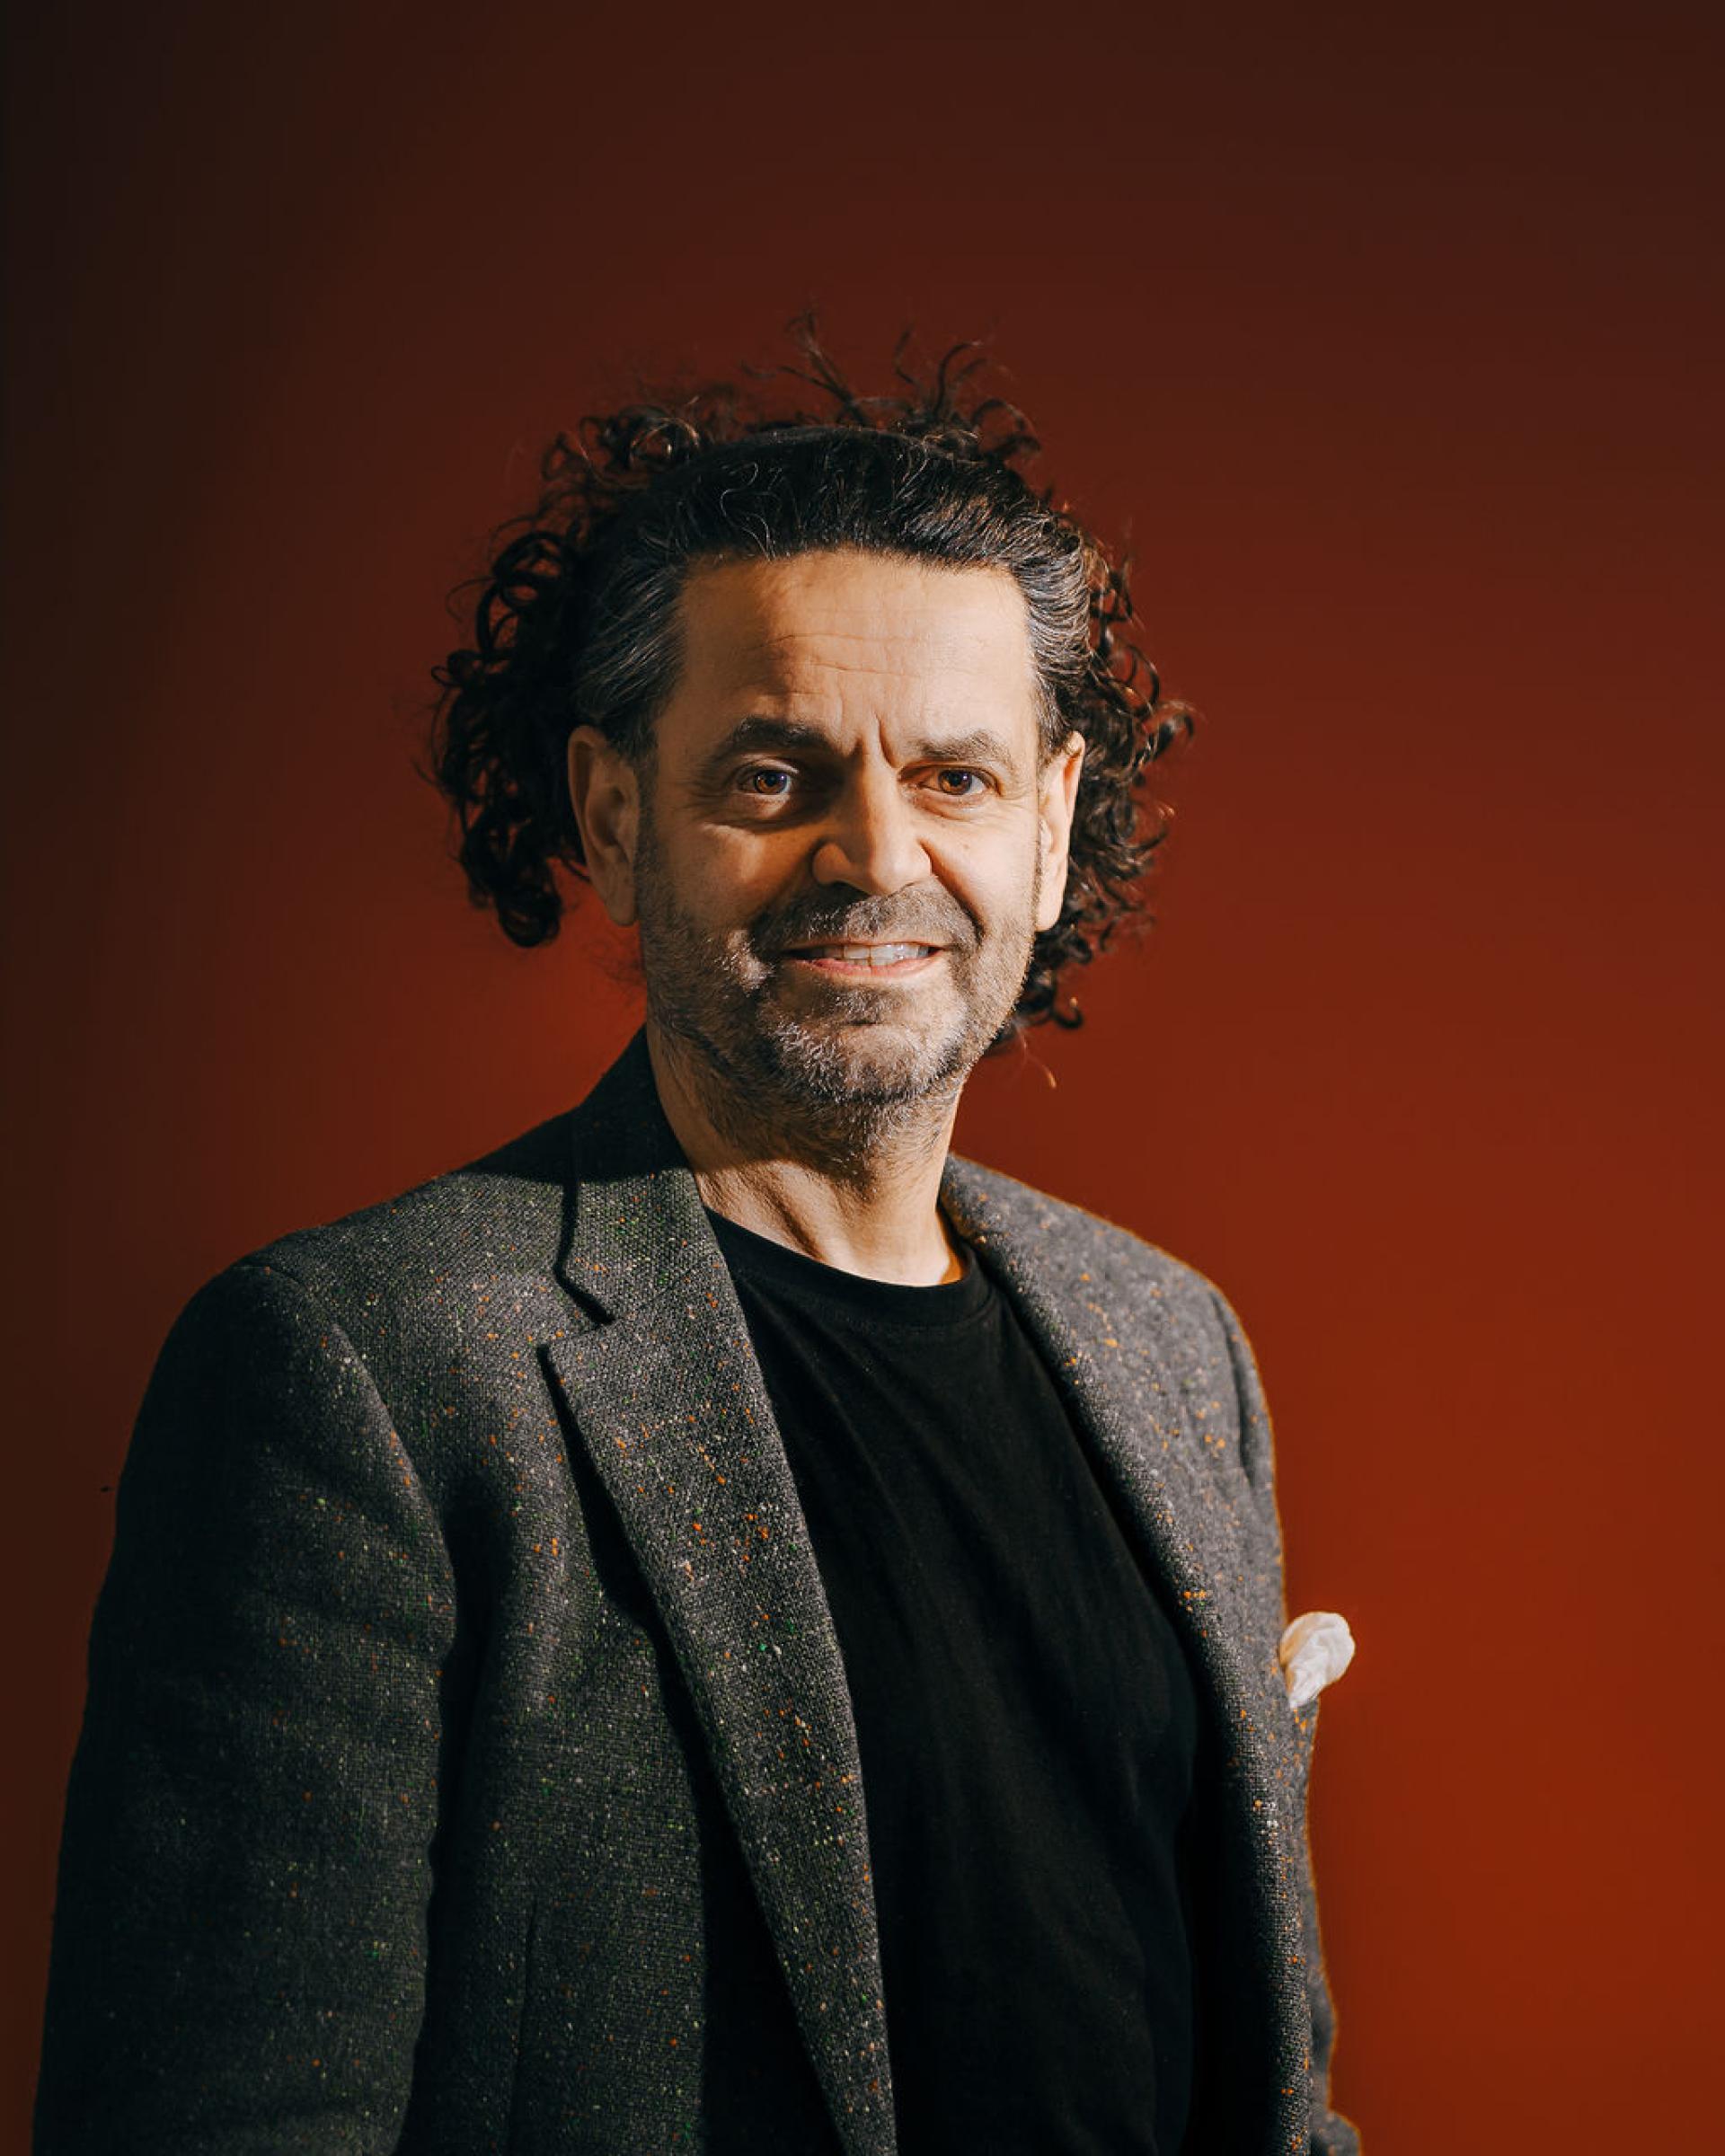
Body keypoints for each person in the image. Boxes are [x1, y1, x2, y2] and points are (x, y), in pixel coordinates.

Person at [36, 321, 1360, 2155]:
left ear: (1052, 831)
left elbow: (1266, 2079)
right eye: (773, 775)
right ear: (613, 810)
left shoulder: (1170, 1344)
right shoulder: (370, 1377)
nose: (874, 855)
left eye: (957, 779)